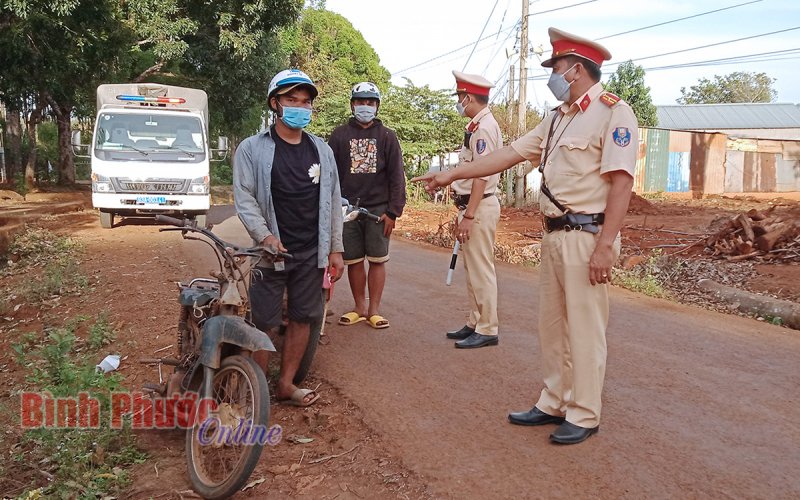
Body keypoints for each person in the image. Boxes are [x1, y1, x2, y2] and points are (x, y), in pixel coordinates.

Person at [413, 28, 638, 444]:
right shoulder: (556, 120)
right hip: (553, 236)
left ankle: (585, 412)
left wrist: (606, 245)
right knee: (551, 325)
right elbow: (508, 154)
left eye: (555, 68)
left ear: (574, 70)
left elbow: (621, 184)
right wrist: (452, 173)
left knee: (585, 328)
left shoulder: (613, 113)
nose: (551, 76)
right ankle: (554, 399)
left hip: (588, 235)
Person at [234, 68, 345, 407]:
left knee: (303, 318)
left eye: (306, 102)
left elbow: (333, 201)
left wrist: (336, 249)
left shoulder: (322, 151)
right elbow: (245, 197)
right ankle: (256, 393)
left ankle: (285, 384)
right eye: (292, 100)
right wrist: (265, 236)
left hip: (311, 251)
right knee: (263, 323)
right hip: (272, 252)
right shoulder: (252, 149)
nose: (300, 107)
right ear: (275, 104)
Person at [328, 82, 406, 330]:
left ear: (377, 106)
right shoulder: (339, 136)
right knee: (353, 260)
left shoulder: (387, 137)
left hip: (378, 211)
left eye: (370, 102)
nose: (365, 106)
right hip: (347, 209)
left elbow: (397, 177)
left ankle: (374, 310)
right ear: (352, 105)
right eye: (361, 102)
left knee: (377, 259)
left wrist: (393, 212)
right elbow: (331, 176)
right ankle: (359, 307)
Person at [445, 71, 503, 349]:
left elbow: (482, 175)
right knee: (472, 269)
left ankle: (488, 326)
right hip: (471, 206)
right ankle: (475, 321)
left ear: (468, 97)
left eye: (459, 97)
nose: (458, 102)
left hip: (478, 207)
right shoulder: (476, 126)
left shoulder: (484, 129)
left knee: (481, 268)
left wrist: (469, 215)